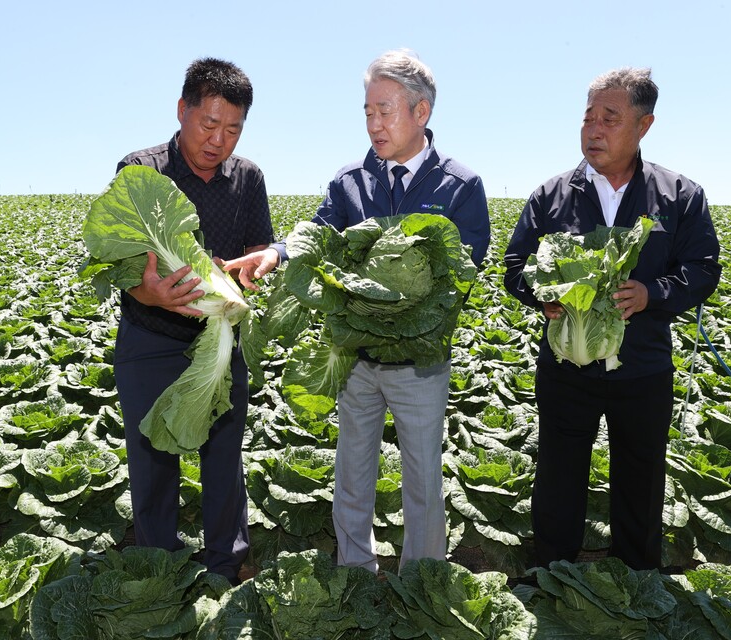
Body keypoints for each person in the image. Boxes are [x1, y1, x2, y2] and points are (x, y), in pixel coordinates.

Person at [223, 49, 490, 572]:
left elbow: (460, 274)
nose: (373, 123)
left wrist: (398, 307)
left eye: (384, 110)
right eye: (367, 111)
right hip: (357, 358)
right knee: (352, 475)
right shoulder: (350, 181)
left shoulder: (461, 186)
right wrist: (277, 252)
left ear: (421, 112)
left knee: (423, 482)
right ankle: (354, 572)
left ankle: (423, 580)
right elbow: (318, 232)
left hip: (420, 362)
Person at [503, 67, 721, 570]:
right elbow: (515, 267)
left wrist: (652, 293)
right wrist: (542, 296)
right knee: (558, 473)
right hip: (567, 368)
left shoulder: (679, 195)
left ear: (644, 126)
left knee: (641, 478)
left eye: (609, 118)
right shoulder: (551, 195)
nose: (594, 129)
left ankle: (637, 577)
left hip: (642, 367)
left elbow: (703, 268)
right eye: (588, 117)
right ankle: (551, 573)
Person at [112, 57, 274, 585]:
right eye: (208, 124)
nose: (218, 140)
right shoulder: (142, 171)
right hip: (150, 338)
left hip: (220, 342)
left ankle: (225, 564)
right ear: (182, 110)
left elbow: (257, 247)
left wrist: (249, 270)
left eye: (232, 130)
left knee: (224, 457)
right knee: (153, 456)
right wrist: (152, 294)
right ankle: (158, 566)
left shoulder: (248, 178)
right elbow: (123, 261)